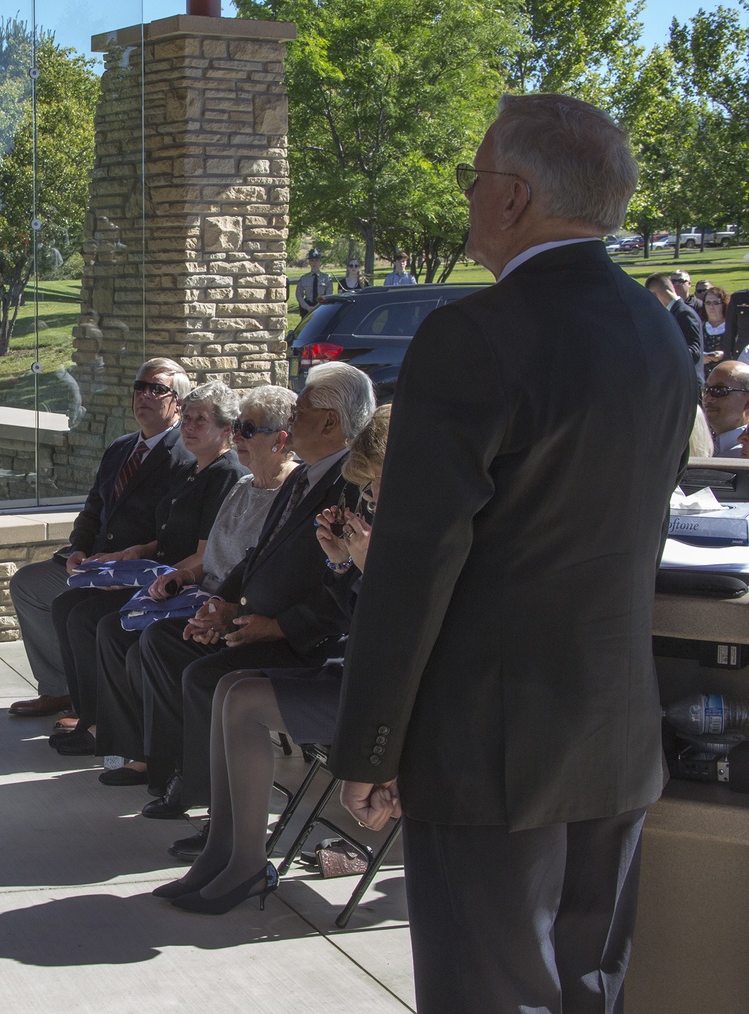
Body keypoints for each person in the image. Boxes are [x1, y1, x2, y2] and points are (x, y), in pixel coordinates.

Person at [330, 94, 697, 1013]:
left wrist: (371, 743)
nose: (466, 202)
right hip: (614, 733)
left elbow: (415, 564)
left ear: (514, 197)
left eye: (473, 178)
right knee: (587, 990)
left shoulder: (471, 335)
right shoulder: (660, 331)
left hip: (487, 748)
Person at [153, 405, 389, 912]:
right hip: (363, 676)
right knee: (227, 689)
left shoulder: (420, 530)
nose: (368, 495)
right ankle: (222, 853)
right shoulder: (327, 491)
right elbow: (354, 602)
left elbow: (390, 629)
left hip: (385, 692)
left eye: (375, 483)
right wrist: (345, 561)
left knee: (240, 697)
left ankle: (244, 865)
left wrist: (363, 567)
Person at [137, 361, 376, 819]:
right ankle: (176, 775)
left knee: (208, 678)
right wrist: (222, 605)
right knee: (165, 642)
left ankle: (216, 808)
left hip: (304, 642)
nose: (291, 421)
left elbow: (341, 590)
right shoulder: (304, 477)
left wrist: (277, 627)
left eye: (300, 410)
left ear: (330, 421)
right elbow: (257, 554)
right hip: (254, 621)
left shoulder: (351, 485)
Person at [92, 385, 299, 783]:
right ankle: (133, 752)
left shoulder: (282, 490)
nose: (239, 437)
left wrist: (220, 606)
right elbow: (210, 557)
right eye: (239, 427)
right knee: (112, 626)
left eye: (247, 429)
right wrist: (178, 576)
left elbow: (260, 568)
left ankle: (170, 770)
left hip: (237, 610)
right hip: (205, 597)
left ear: (281, 439)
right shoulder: (241, 485)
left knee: (146, 643)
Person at [50, 381, 248, 757]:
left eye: (200, 420)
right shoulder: (191, 469)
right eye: (186, 418)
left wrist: (147, 579)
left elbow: (206, 557)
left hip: (185, 590)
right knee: (68, 605)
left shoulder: (225, 475)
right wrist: (134, 553)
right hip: (160, 574)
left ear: (227, 429)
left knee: (100, 622)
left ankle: (115, 735)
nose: (188, 426)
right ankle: (92, 718)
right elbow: (168, 534)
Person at [7, 359, 193, 722]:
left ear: (179, 404)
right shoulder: (120, 448)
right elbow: (93, 509)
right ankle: (59, 687)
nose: (145, 395)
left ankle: (90, 704)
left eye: (157, 389)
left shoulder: (185, 456)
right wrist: (78, 549)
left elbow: (174, 532)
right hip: (92, 563)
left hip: (134, 570)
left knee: (78, 612)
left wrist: (125, 563)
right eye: (140, 387)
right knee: (27, 585)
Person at [646, 272, 705, 386]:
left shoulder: (684, 314)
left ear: (654, 295)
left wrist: (661, 352)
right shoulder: (675, 312)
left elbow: (694, 352)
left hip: (689, 385)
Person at [702, 361, 749, 456]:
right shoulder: (697, 444)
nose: (708, 398)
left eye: (719, 390)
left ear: (747, 401)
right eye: (706, 390)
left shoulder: (745, 453)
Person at [294, 248, 333, 317]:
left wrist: (319, 307)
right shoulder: (304, 278)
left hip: (322, 309)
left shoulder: (326, 278)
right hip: (307, 310)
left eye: (316, 260)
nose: (314, 263)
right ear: (309, 262)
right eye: (312, 260)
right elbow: (299, 295)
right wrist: (306, 307)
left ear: (320, 262)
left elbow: (328, 295)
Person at [702, 286, 729, 369]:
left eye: (716, 303)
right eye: (708, 303)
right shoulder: (700, 328)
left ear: (724, 304)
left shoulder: (732, 328)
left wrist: (724, 355)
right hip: (703, 378)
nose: (711, 307)